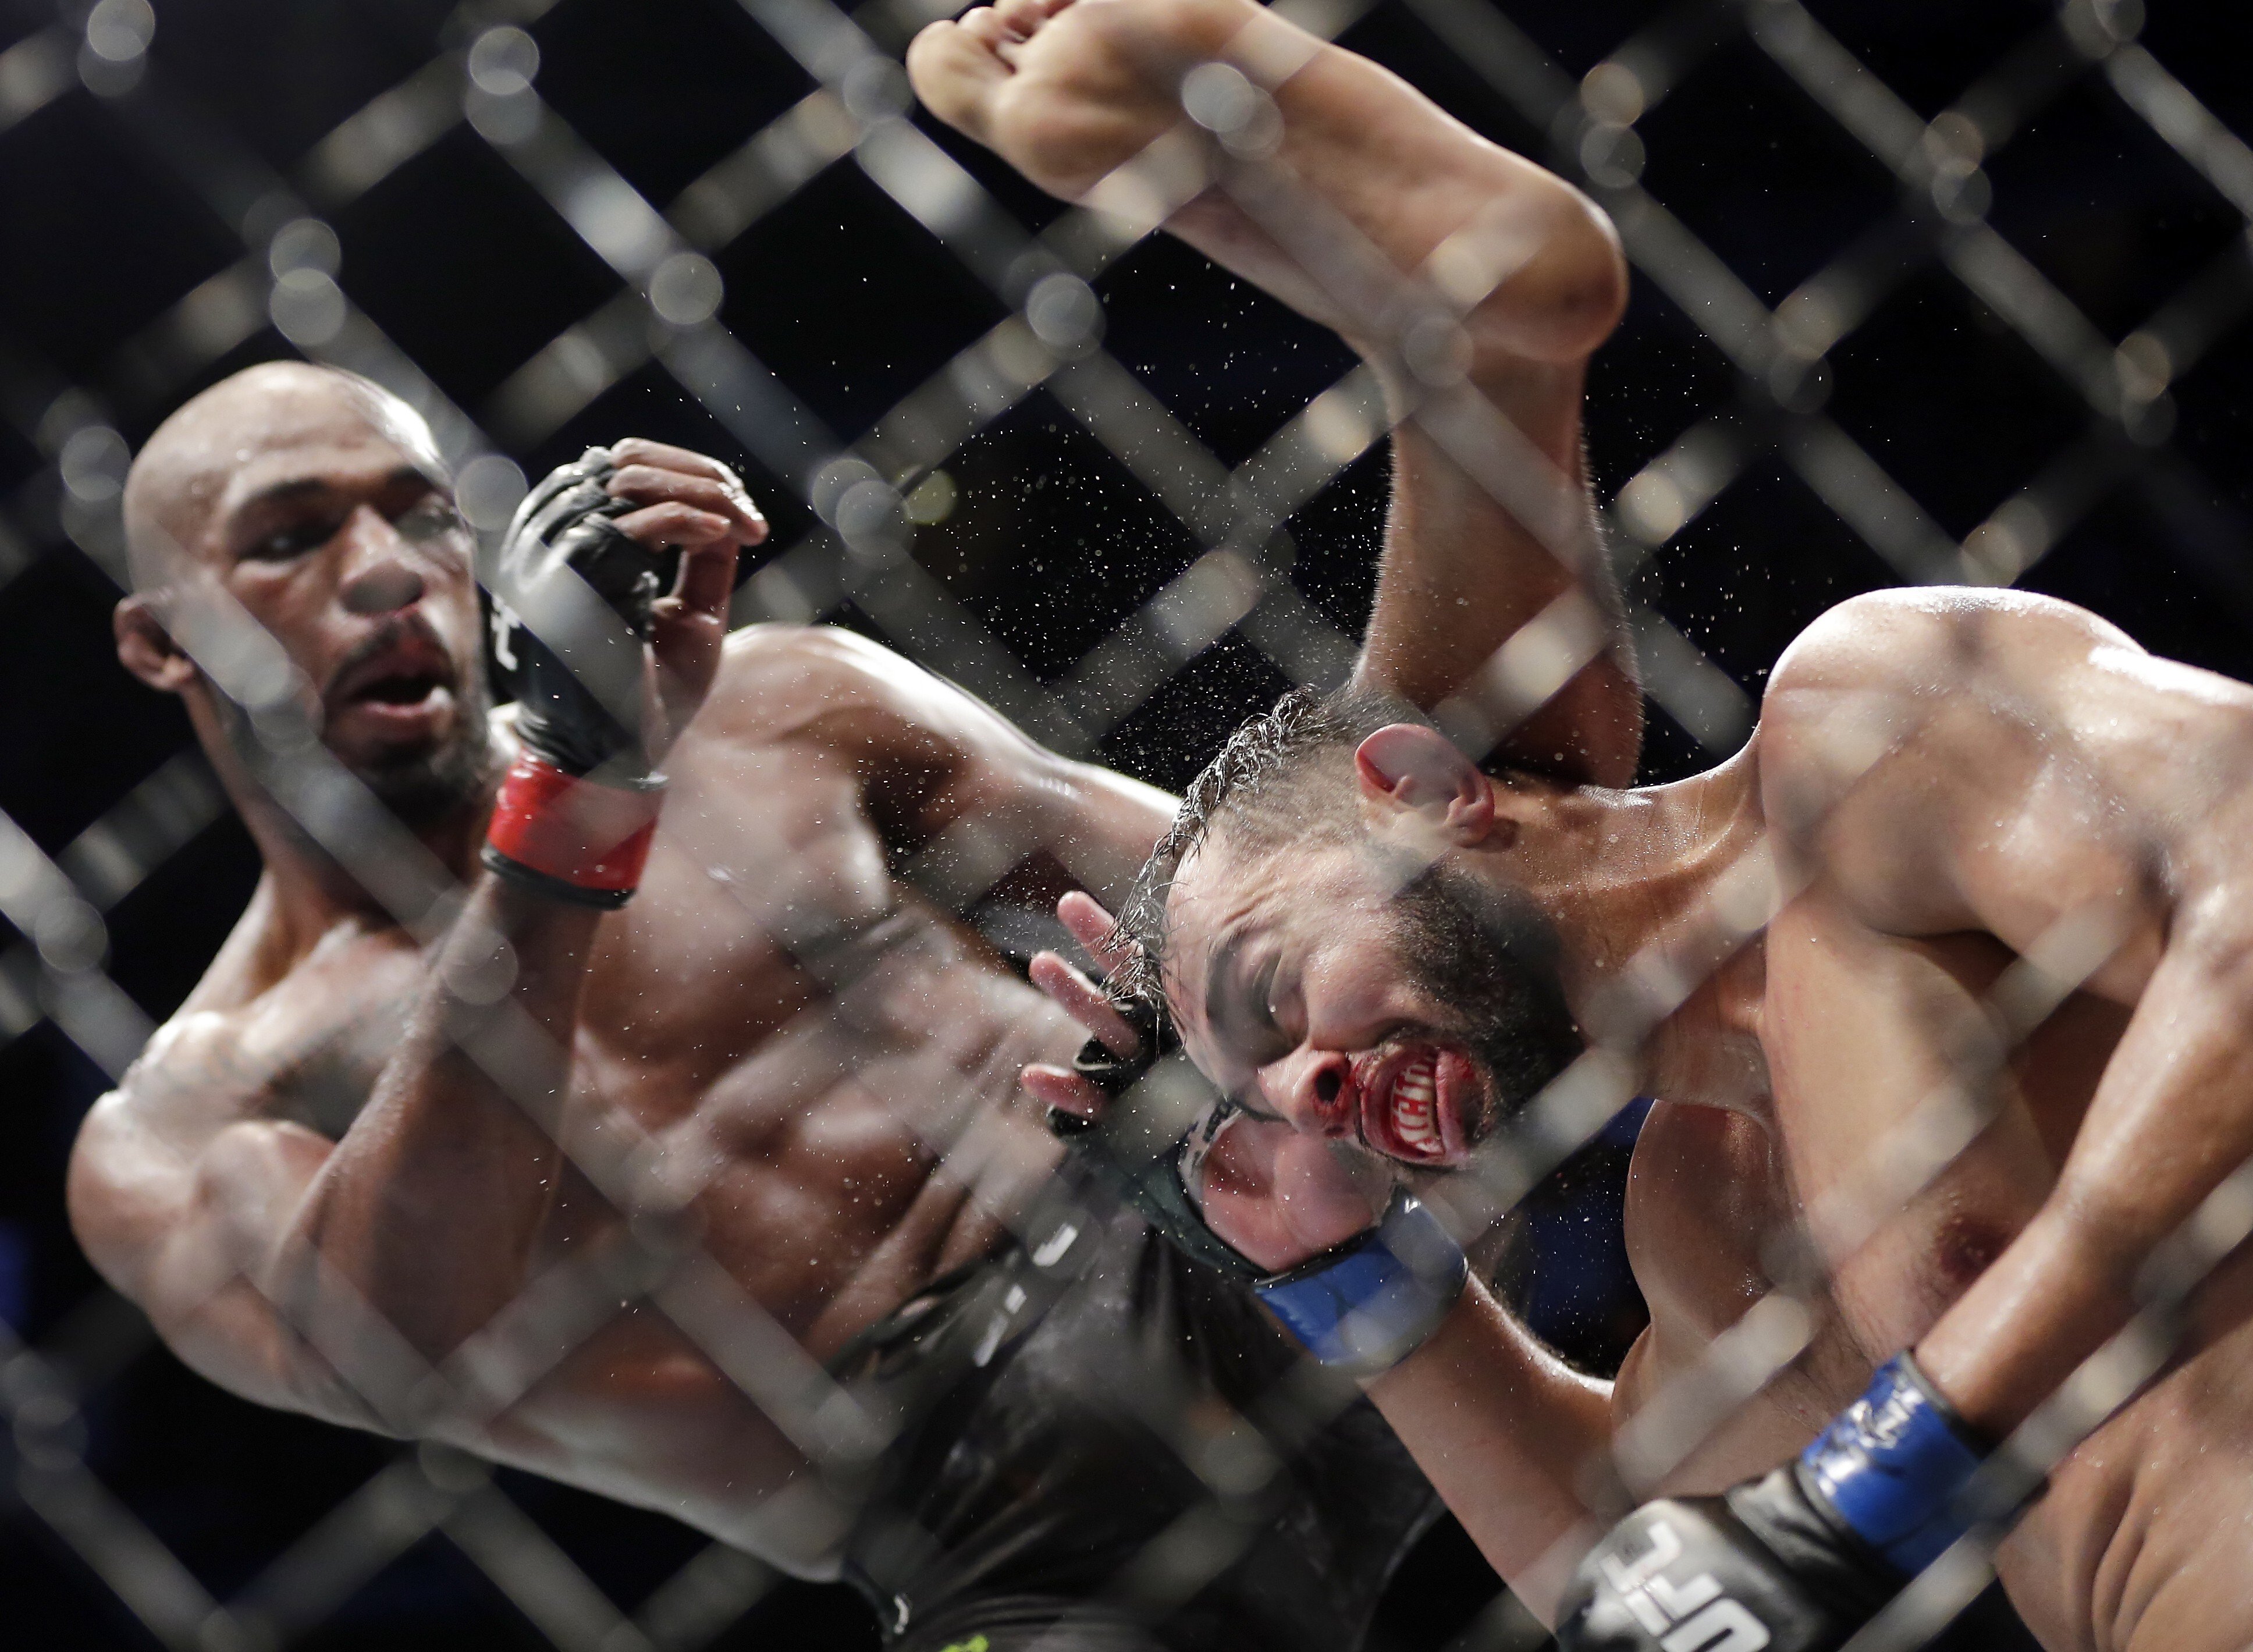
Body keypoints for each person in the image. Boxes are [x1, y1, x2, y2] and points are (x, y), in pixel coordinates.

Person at [65, 0, 1640, 1640]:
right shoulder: (188, 1121)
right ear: (161, 638)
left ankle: (1467, 370)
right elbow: (392, 1343)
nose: (383, 575)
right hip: (998, 1515)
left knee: (1416, 874)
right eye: (291, 539)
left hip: (1226, 1210)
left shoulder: (777, 702)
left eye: (415, 517)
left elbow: (1235, 877)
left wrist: (1279, 989)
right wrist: (580, 811)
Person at [937, 4, 2253, 1651]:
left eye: (1277, 998)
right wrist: (1342, 1276)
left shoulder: (1871, 733)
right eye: (1264, 1091)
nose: (1307, 1091)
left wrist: (1904, 1456)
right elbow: (1643, 1578)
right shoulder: (1705, 1203)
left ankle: (1473, 339)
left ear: (1423, 788)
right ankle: (1475, 347)